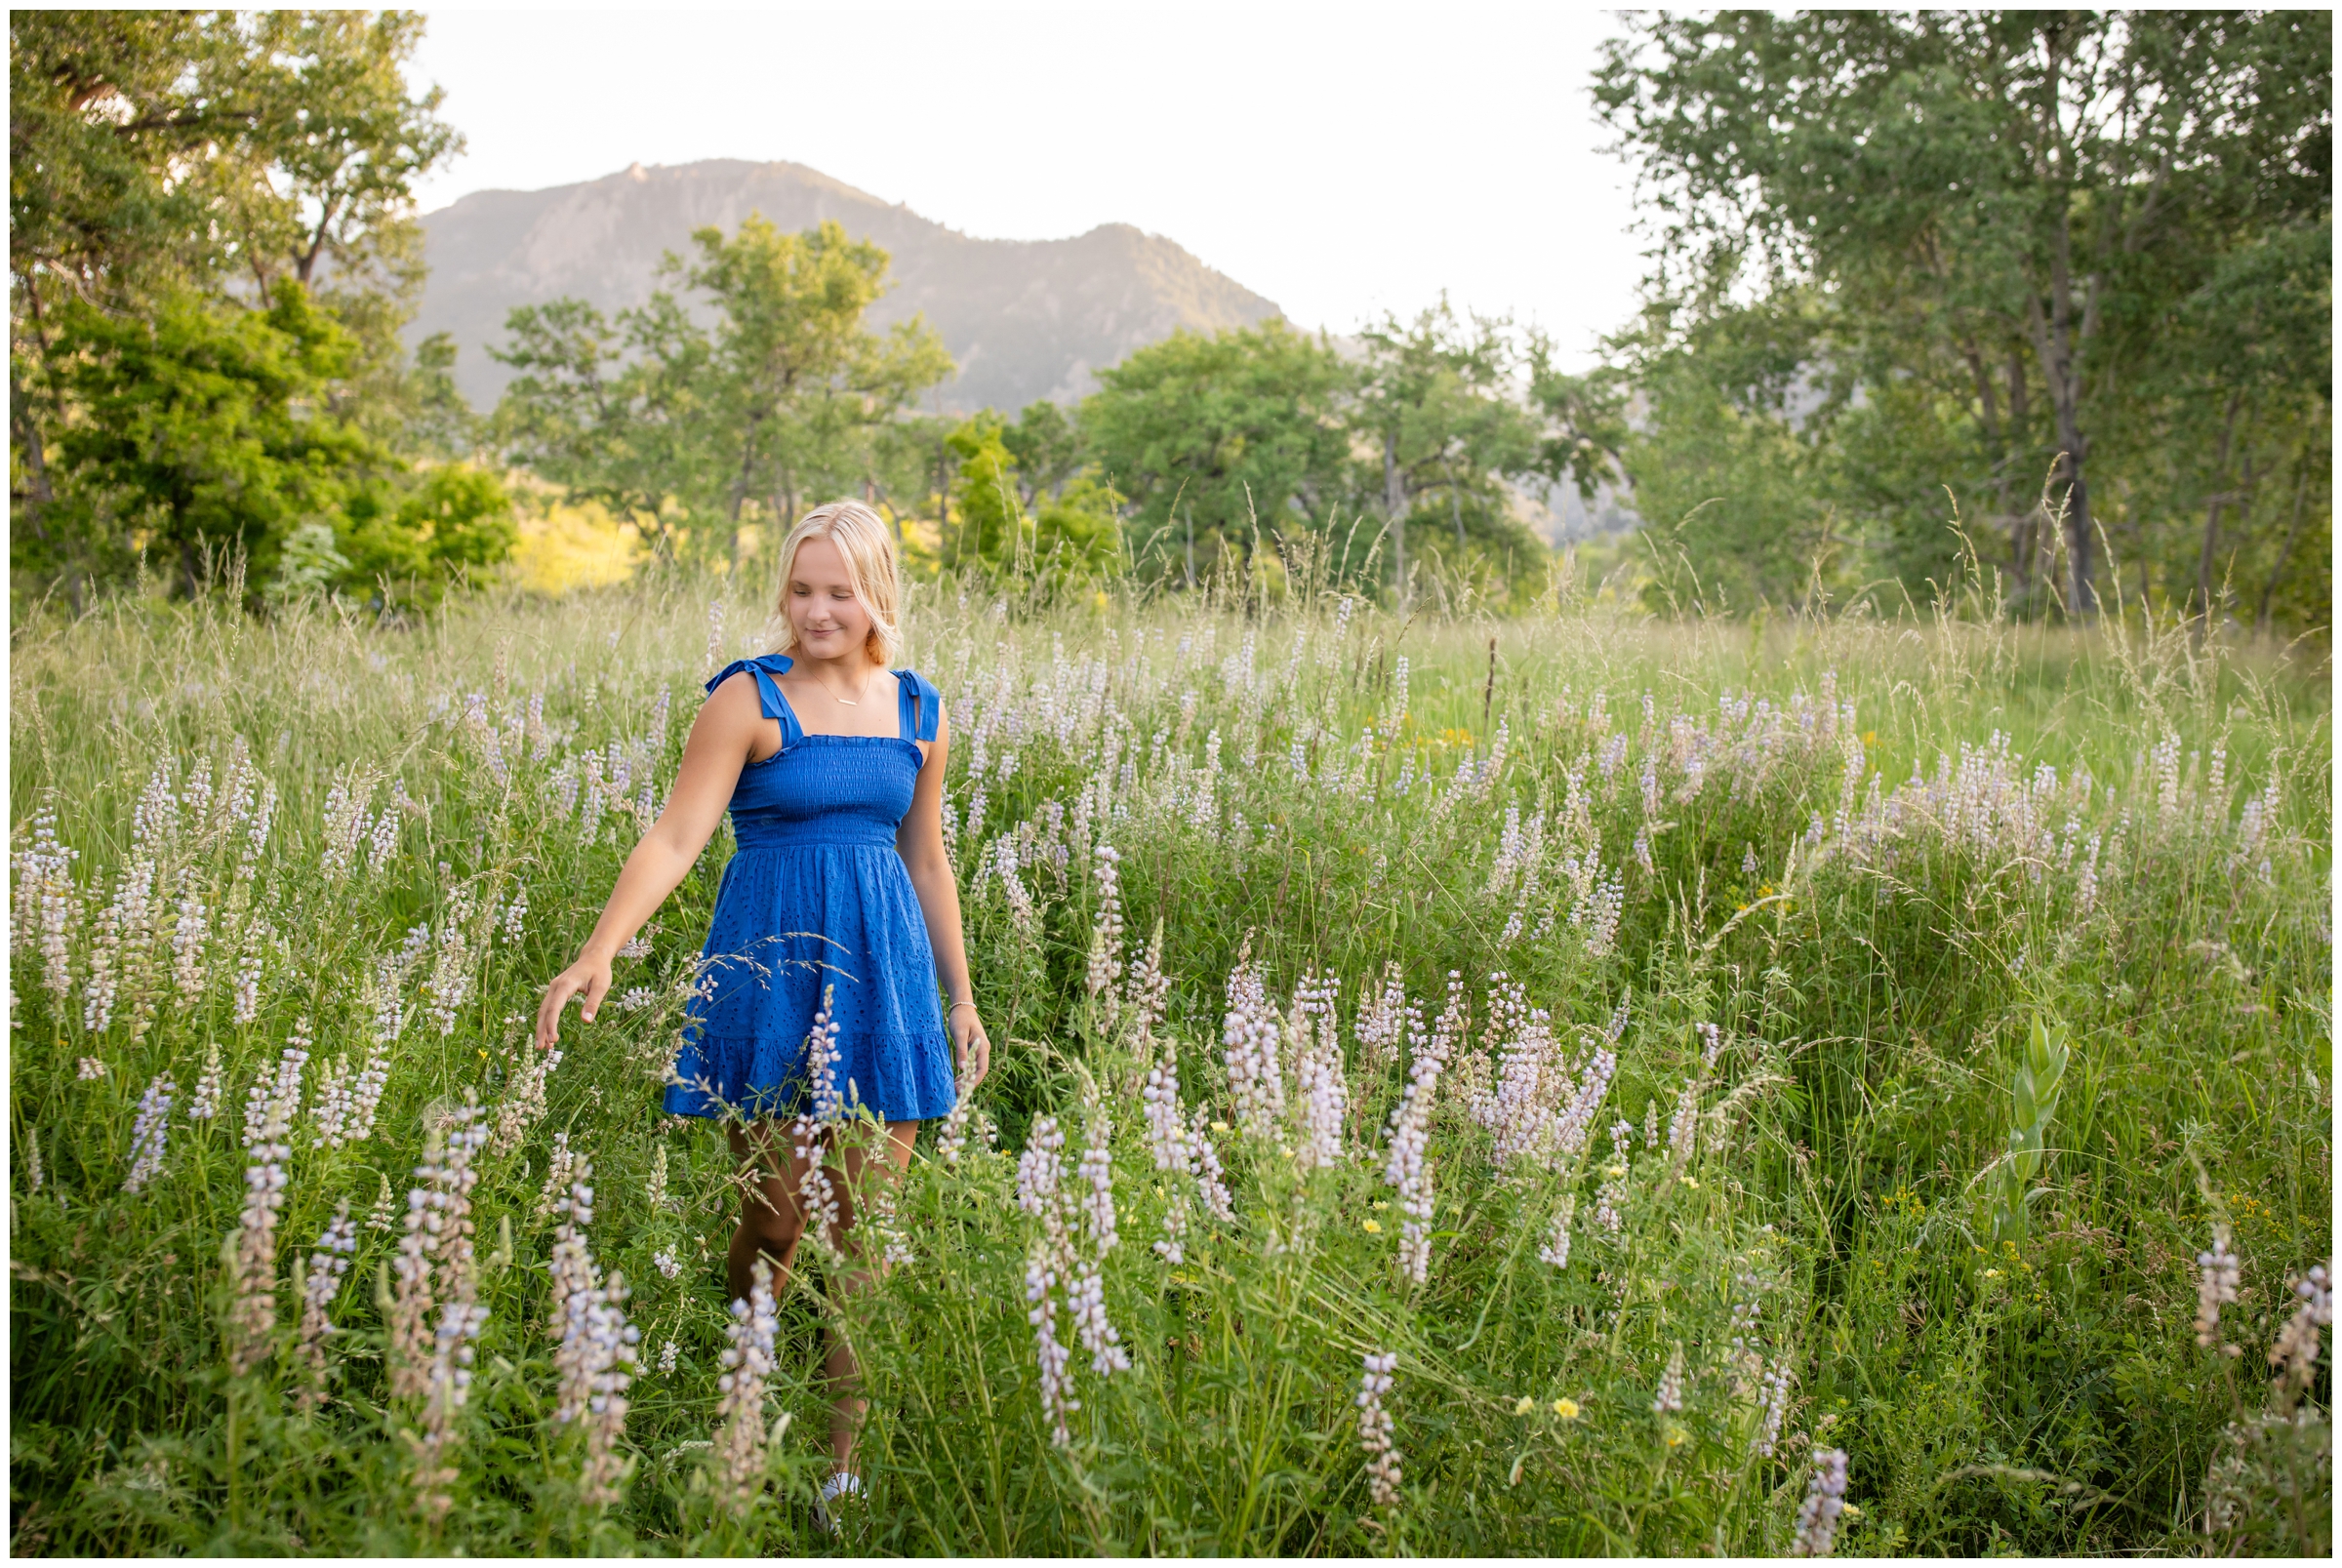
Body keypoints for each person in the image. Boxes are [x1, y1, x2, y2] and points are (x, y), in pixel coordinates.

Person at [536, 499, 988, 1528]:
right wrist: (598, 950)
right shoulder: (749, 695)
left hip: (886, 976)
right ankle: (741, 1376)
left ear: (879, 593)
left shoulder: (918, 706)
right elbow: (677, 834)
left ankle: (838, 1469)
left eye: (841, 589)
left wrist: (961, 994)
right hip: (769, 971)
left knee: (862, 1235)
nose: (818, 608)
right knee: (778, 1216)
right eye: (801, 587)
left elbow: (927, 855)